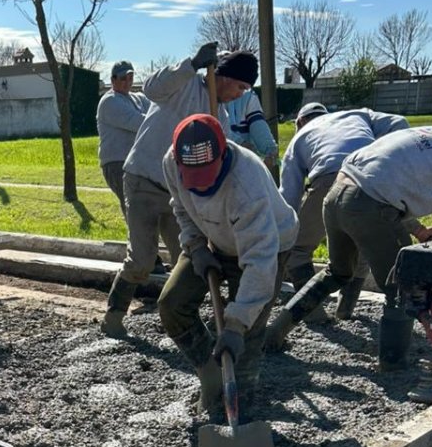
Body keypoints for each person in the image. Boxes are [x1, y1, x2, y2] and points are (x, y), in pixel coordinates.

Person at [100, 45, 260, 337]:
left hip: (178, 194)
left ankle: (186, 318)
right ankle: (113, 316)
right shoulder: (184, 84)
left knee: (186, 258)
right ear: (224, 77)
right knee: (142, 259)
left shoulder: (220, 117)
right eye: (240, 86)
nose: (241, 94)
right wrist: (191, 64)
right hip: (143, 180)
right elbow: (151, 87)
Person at [266, 126, 432, 372]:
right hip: (369, 204)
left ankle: (273, 334)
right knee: (402, 285)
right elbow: (379, 193)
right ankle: (393, 365)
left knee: (338, 272)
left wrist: (421, 231)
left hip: (337, 194)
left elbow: (385, 178)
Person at [157, 113, 298, 417]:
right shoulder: (171, 162)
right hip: (211, 237)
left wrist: (235, 325)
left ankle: (241, 405)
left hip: (268, 244)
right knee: (171, 304)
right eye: (194, 178)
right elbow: (181, 207)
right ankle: (211, 376)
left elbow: (259, 262)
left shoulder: (246, 185)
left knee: (249, 328)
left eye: (208, 175)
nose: (202, 185)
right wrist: (196, 247)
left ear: (223, 155)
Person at [278, 102, 408, 318]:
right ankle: (345, 309)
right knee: (362, 245)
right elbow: (400, 122)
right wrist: (386, 154)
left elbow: (289, 195)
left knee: (297, 248)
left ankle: (313, 314)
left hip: (330, 179)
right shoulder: (357, 114)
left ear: (300, 122)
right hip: (373, 176)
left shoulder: (299, 138)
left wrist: (284, 233)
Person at [96, 61, 150, 215]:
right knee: (133, 208)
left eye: (130, 78)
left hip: (135, 162)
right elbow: (141, 122)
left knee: (144, 207)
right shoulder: (110, 101)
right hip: (117, 164)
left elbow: (157, 109)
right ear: (113, 80)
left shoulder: (138, 98)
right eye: (123, 78)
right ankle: (134, 231)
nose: (128, 82)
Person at [225, 87, 278, 170]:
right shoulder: (206, 94)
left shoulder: (248, 95)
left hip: (245, 165)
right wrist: (240, 144)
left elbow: (259, 127)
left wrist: (270, 151)